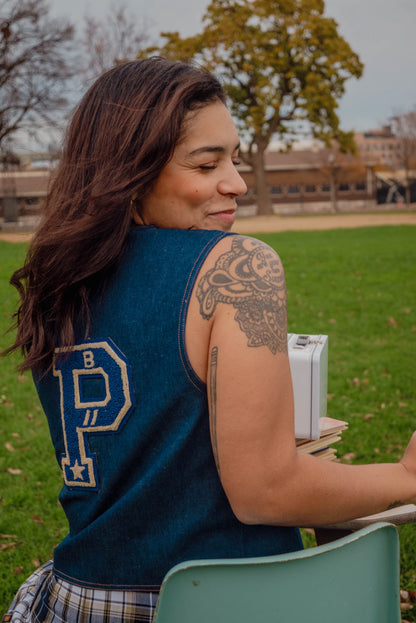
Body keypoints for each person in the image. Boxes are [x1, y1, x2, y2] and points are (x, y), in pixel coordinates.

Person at [3, 56, 416, 623]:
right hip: (219, 599)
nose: (237, 183)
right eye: (206, 164)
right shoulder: (236, 264)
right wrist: (403, 477)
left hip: (79, 595)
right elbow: (264, 491)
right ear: (133, 172)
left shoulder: (62, 277)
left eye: (236, 158)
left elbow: (149, 444)